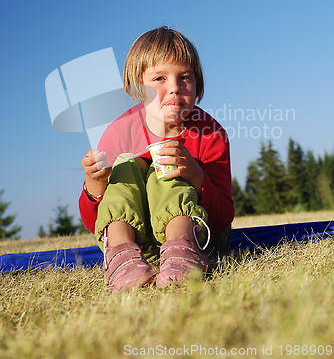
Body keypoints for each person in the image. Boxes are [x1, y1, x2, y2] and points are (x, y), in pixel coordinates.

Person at [80, 26, 234, 291]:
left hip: (199, 239)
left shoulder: (210, 133)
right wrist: (94, 183)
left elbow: (223, 218)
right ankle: (122, 257)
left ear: (197, 84)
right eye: (160, 78)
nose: (174, 88)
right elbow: (94, 221)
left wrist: (196, 175)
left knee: (167, 169)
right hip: (140, 244)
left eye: (185, 77)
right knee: (127, 165)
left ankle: (182, 253)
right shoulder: (119, 132)